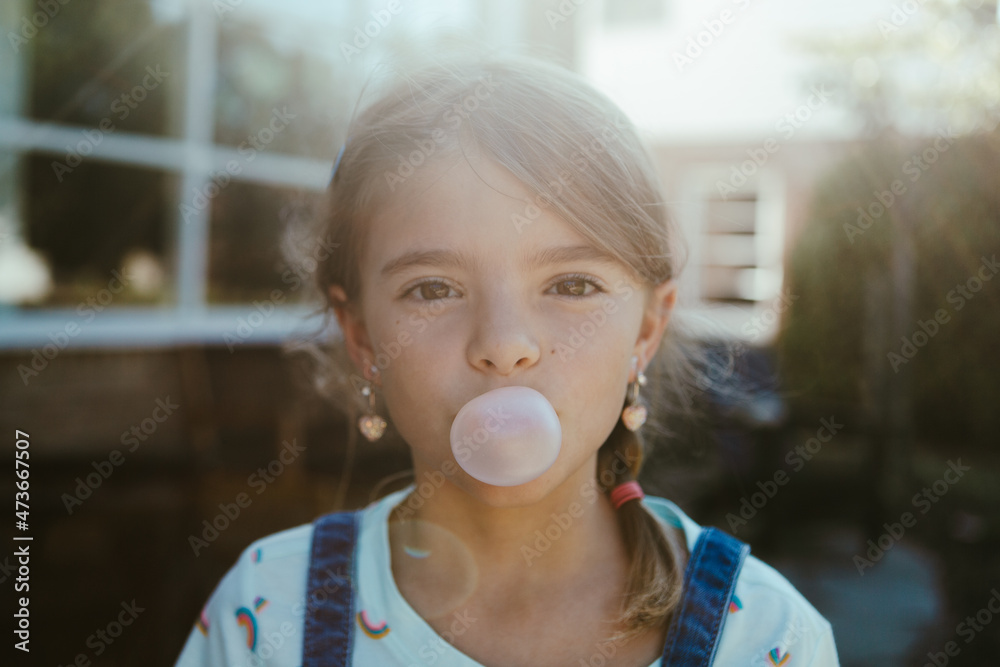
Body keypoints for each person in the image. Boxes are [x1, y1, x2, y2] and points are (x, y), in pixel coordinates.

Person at [174, 52, 840, 666]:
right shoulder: (265, 613)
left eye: (572, 285)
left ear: (646, 327)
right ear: (363, 337)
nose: (502, 343)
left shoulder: (769, 638)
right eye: (432, 289)